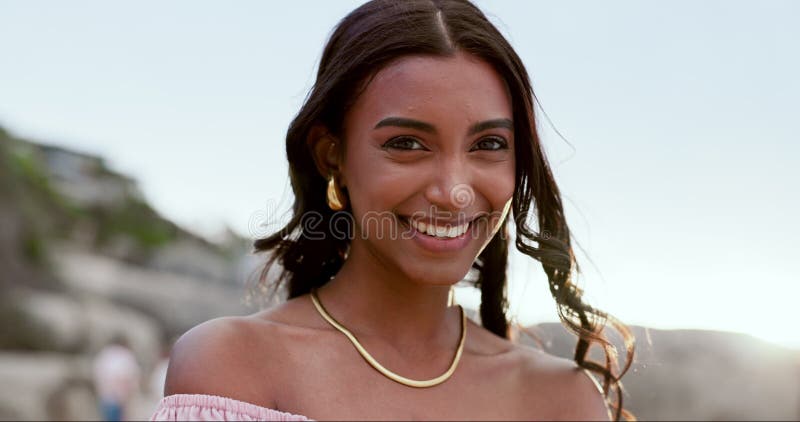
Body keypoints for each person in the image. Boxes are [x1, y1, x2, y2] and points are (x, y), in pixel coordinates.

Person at [152, 0, 635, 420]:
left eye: (489, 144)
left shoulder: (562, 400)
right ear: (331, 156)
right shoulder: (233, 367)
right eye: (407, 143)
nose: (454, 192)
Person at [93, 335, 141, 422]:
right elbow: (129, 377)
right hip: (120, 399)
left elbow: (97, 373)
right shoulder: (125, 356)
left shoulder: (104, 354)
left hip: (105, 398)